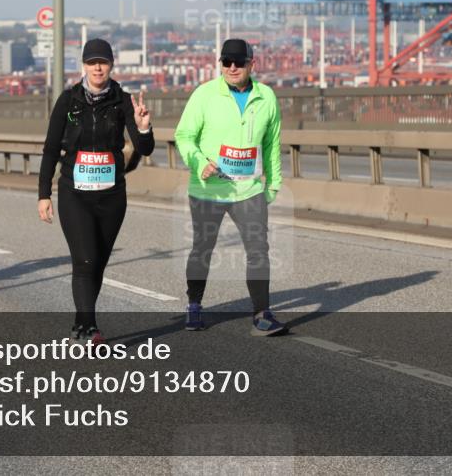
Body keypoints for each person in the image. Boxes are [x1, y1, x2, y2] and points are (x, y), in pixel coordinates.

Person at [38, 38, 154, 346]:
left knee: (98, 262)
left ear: (111, 65)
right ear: (84, 66)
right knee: (85, 260)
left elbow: (144, 149)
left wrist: (143, 127)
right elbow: (51, 149)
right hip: (74, 194)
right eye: (92, 62)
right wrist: (43, 194)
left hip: (112, 196)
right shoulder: (69, 101)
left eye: (103, 62)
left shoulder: (123, 101)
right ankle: (91, 330)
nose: (98, 68)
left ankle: (81, 324)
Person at [174, 38, 286, 336]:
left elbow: (271, 144)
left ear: (252, 64)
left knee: (259, 249)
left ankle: (262, 314)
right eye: (226, 62)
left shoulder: (266, 97)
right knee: (202, 248)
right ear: (220, 64)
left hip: (249, 189)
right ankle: (194, 305)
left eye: (239, 62)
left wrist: (273, 184)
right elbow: (184, 136)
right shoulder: (204, 94)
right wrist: (199, 162)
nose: (232, 67)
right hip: (208, 189)